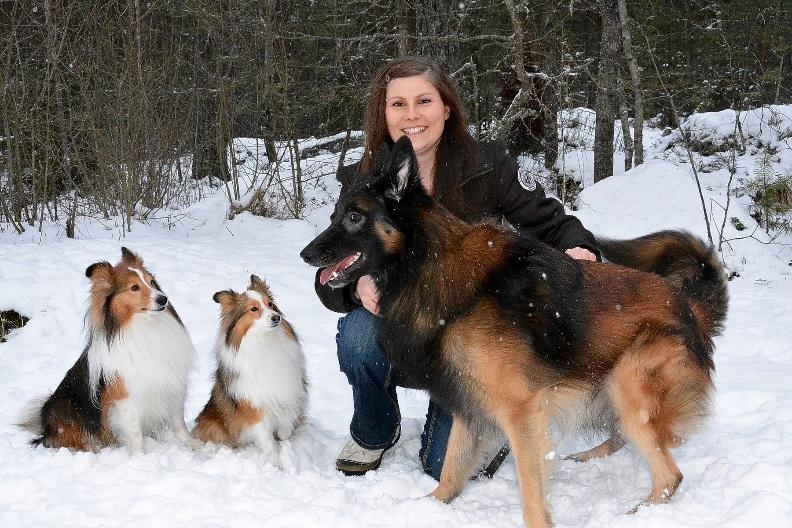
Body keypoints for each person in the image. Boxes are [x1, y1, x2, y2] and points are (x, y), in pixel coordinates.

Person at [313, 56, 599, 479]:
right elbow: (330, 271)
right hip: (408, 327)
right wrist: (355, 290)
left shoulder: (488, 165)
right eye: (398, 104)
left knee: (442, 468)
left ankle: (497, 416)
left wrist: (579, 251)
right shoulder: (364, 179)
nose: (412, 115)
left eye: (424, 101)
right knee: (357, 334)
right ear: (384, 113)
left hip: (476, 333)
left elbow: (554, 224)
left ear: (447, 108)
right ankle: (374, 430)